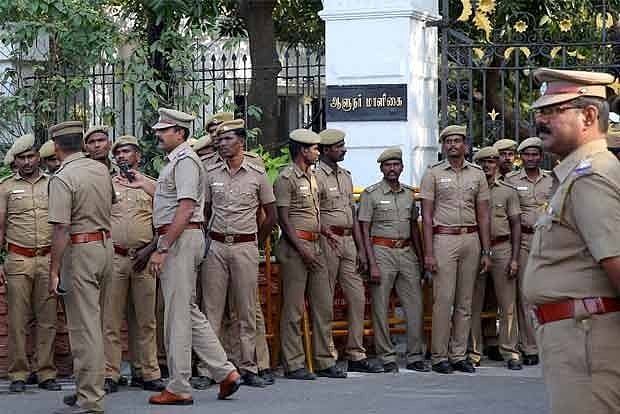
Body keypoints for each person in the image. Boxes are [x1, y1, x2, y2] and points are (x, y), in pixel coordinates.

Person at [116, 107, 241, 405]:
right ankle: (225, 372)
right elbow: (170, 196)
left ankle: (179, 385)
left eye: (164, 130)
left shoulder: (185, 161)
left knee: (176, 317)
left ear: (180, 133)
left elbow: (185, 208)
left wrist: (162, 247)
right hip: (182, 238)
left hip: (180, 240)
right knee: (187, 310)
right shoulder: (178, 161)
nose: (158, 134)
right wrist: (141, 182)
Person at [523, 68, 620, 413]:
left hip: (587, 340)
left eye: (553, 110)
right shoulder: (577, 175)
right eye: (540, 111)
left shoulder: (591, 178)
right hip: (578, 336)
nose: (541, 120)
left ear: (589, 116)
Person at [202, 119, 277, 387]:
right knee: (212, 311)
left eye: (228, 139)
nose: (222, 144)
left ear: (241, 142)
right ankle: (209, 370)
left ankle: (249, 367)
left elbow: (271, 214)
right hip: (216, 246)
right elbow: (206, 211)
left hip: (245, 246)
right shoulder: (211, 172)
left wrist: (255, 241)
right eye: (219, 139)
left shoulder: (257, 173)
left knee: (246, 310)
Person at [47, 121, 116, 414]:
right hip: (105, 246)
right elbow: (111, 203)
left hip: (80, 251)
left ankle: (91, 398)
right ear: (81, 142)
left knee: (84, 328)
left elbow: (61, 227)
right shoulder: (100, 169)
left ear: (57, 147)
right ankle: (84, 388)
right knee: (96, 324)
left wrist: (54, 269)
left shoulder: (62, 177)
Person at [274, 128, 346, 380]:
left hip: (315, 246)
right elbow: (283, 220)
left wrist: (327, 233)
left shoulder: (313, 177)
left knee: (323, 305)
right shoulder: (286, 178)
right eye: (315, 148)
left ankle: (325, 360)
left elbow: (313, 215)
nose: (318, 152)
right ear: (303, 151)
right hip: (296, 249)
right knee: (294, 309)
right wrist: (302, 249)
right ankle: (294, 363)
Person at [419, 125, 491, 374]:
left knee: (465, 301)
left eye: (457, 140)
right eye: (448, 141)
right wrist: (429, 253)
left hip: (471, 239)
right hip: (444, 239)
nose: (452, 145)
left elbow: (484, 216)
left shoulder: (477, 174)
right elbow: (427, 217)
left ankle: (459, 354)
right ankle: (439, 356)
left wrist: (486, 251)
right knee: (443, 300)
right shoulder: (433, 174)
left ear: (465, 145)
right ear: (443, 145)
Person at [99, 135, 165, 393]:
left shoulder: (151, 185)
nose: (122, 156)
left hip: (144, 259)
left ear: (138, 155)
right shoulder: (107, 185)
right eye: (118, 153)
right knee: (111, 320)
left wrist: (149, 251)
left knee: (146, 320)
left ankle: (147, 372)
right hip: (115, 258)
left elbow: (163, 222)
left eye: (127, 151)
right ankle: (110, 373)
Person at [314, 129, 383, 374]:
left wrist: (361, 248)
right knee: (324, 301)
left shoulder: (345, 175)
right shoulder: (315, 176)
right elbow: (312, 213)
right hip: (327, 240)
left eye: (343, 145)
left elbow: (352, 214)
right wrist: (325, 234)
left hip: (348, 241)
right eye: (338, 146)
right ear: (325, 150)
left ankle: (356, 354)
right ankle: (325, 358)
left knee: (357, 298)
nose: (344, 149)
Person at [0, 134, 60, 393]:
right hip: (18, 259)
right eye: (22, 158)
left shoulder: (54, 184)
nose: (27, 162)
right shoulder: (5, 187)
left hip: (47, 259)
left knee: (48, 319)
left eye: (31, 156)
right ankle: (18, 374)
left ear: (38, 158)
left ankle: (45, 372)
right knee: (17, 320)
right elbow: (0, 226)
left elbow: (62, 224)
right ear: (15, 161)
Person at [358, 147, 426, 373]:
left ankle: (415, 355)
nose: (392, 169)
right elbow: (364, 229)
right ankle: (387, 356)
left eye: (396, 164)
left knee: (415, 305)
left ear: (402, 167)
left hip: (406, 252)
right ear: (381, 168)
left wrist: (421, 258)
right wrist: (371, 263)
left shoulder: (408, 194)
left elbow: (414, 228)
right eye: (388, 165)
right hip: (381, 251)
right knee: (380, 307)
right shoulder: (371, 194)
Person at [468, 146, 522, 370]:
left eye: (491, 162)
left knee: (507, 303)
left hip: (502, 248)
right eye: (482, 162)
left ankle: (510, 351)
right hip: (476, 247)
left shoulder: (508, 191)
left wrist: (515, 258)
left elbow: (516, 224)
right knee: (473, 303)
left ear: (497, 164)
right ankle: (474, 352)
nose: (487, 166)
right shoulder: (470, 189)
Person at [505, 136, 554, 366]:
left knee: (549, 293)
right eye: (527, 154)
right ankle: (530, 347)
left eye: (535, 154)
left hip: (547, 240)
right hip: (523, 240)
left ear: (541, 157)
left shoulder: (551, 180)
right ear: (521, 157)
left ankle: (550, 344)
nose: (531, 158)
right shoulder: (511, 180)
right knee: (526, 295)